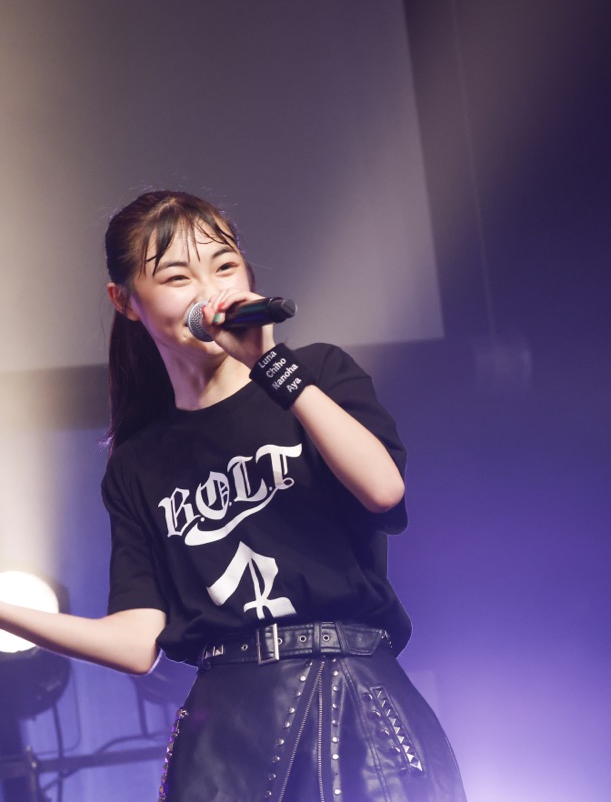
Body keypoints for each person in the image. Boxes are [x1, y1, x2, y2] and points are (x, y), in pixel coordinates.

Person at [0, 191, 467, 802]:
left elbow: (382, 489)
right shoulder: (137, 464)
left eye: (224, 266)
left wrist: (272, 366)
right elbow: (137, 642)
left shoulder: (317, 373)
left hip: (355, 697)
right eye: (177, 277)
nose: (209, 291)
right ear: (126, 301)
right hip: (227, 731)